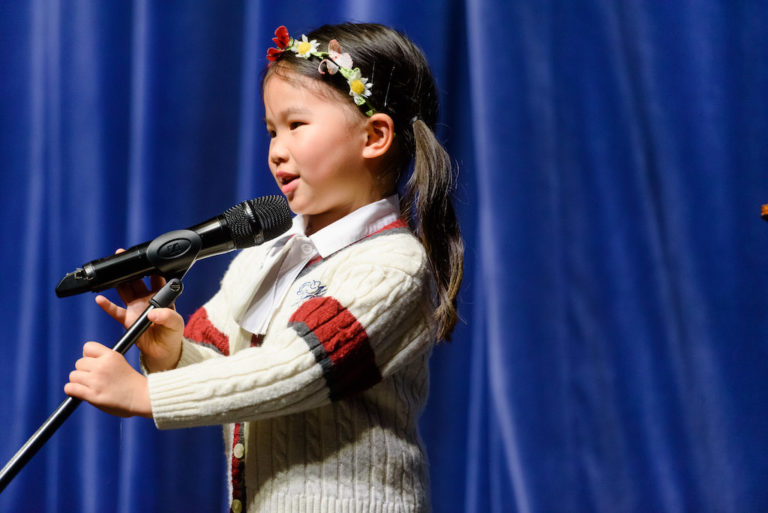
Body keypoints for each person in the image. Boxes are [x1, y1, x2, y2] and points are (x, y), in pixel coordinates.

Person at [64, 22, 463, 513]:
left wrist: (149, 393)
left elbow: (294, 372)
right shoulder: (263, 255)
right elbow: (235, 375)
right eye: (271, 130)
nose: (276, 149)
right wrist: (171, 354)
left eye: (296, 125)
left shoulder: (392, 264)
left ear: (374, 136)